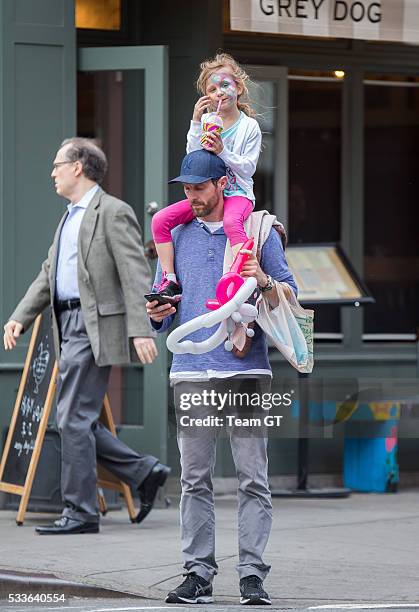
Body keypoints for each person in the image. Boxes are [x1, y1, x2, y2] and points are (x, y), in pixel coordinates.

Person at [146, 149, 297, 606]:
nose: (191, 196)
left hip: (247, 370)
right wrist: (156, 312)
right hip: (191, 371)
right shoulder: (176, 235)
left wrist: (265, 281)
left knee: (253, 477)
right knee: (195, 479)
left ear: (221, 185)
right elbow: (162, 308)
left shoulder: (257, 230)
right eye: (185, 188)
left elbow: (291, 295)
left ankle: (252, 575)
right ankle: (198, 574)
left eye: (198, 187)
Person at [3, 138, 170, 535]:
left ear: (78, 166)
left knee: (73, 419)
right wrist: (20, 317)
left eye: (58, 164)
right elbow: (49, 274)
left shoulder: (112, 212)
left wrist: (141, 329)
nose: (53, 172)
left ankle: (79, 512)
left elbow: (133, 273)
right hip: (67, 325)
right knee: (77, 417)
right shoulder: (69, 217)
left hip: (93, 328)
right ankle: (145, 472)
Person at [151, 52, 262, 303]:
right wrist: (195, 123)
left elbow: (248, 169)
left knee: (232, 223)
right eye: (212, 89)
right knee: (160, 221)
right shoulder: (208, 122)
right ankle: (169, 280)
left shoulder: (249, 127)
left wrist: (223, 150)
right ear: (207, 97)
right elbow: (194, 163)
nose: (219, 92)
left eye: (225, 85)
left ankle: (241, 281)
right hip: (209, 194)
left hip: (237, 194)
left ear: (239, 87)